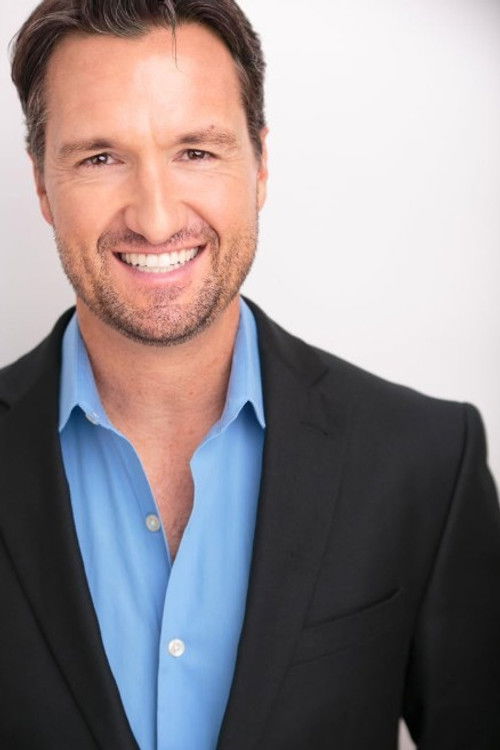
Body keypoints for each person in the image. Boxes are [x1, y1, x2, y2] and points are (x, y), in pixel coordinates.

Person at [1, 1, 499, 748]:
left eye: (196, 151)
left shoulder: (425, 462)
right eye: (100, 158)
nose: (156, 218)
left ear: (260, 165)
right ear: (42, 186)